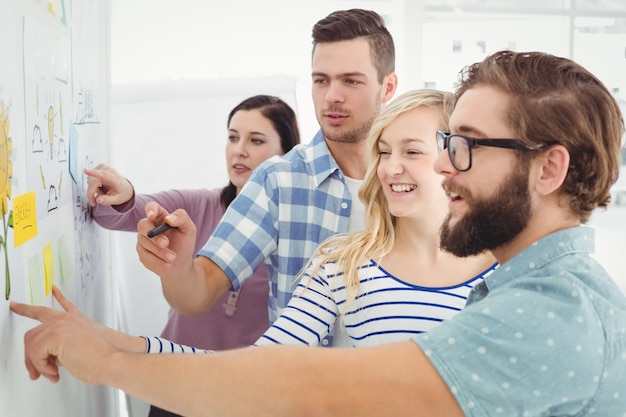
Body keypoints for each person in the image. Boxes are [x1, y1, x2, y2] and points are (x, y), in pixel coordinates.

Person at [12, 50, 626, 416]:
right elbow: (263, 364)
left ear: (549, 168)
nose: (440, 165)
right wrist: (112, 343)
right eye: (438, 146)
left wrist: (109, 363)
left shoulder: (553, 314)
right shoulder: (524, 288)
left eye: (459, 147)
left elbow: (302, 387)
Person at [141, 89, 498, 351]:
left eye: (412, 151)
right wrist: (135, 350)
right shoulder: (342, 266)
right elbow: (263, 364)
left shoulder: (509, 269)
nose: (390, 168)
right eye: (384, 152)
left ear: (455, 157)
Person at [135, 9, 398, 343]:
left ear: (387, 86)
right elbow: (196, 295)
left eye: (351, 80)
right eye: (321, 80)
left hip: (394, 389)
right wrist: (175, 266)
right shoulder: (277, 181)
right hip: (300, 390)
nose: (332, 95)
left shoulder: (423, 177)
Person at [84, 94, 300, 417]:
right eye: (232, 137)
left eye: (256, 140)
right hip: (176, 385)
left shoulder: (298, 230)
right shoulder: (198, 206)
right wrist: (125, 193)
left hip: (247, 397)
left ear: (287, 154)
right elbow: (114, 215)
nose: (239, 149)